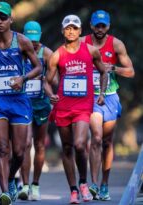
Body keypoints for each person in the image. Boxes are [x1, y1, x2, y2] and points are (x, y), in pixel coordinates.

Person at [0, 2, 42, 204]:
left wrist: (23, 79)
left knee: (20, 152)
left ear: (10, 20)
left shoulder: (22, 41)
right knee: (3, 148)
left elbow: (38, 67)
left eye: (3, 18)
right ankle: (5, 192)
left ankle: (12, 178)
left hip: (19, 101)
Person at [44, 14, 108, 204]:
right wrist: (50, 95)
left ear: (80, 31)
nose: (71, 31)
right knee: (67, 147)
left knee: (80, 144)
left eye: (74, 28)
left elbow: (103, 71)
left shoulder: (91, 51)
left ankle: (83, 183)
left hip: (83, 106)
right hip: (63, 106)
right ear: (63, 31)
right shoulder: (57, 55)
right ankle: (73, 190)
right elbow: (46, 82)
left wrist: (102, 93)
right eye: (67, 28)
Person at [81, 10, 135, 201]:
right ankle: (94, 184)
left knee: (107, 142)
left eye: (103, 26)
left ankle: (104, 183)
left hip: (110, 96)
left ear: (108, 27)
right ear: (91, 26)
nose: (100, 29)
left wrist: (113, 68)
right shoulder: (82, 42)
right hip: (91, 97)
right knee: (95, 137)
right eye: (97, 25)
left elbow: (131, 71)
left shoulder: (116, 44)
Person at [13, 21, 53, 201]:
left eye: (36, 40)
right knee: (25, 144)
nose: (33, 43)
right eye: (30, 39)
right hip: (23, 103)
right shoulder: (18, 52)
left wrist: (48, 81)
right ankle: (25, 184)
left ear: (40, 37)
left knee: (39, 144)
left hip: (42, 104)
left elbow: (55, 80)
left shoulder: (47, 54)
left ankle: (35, 185)